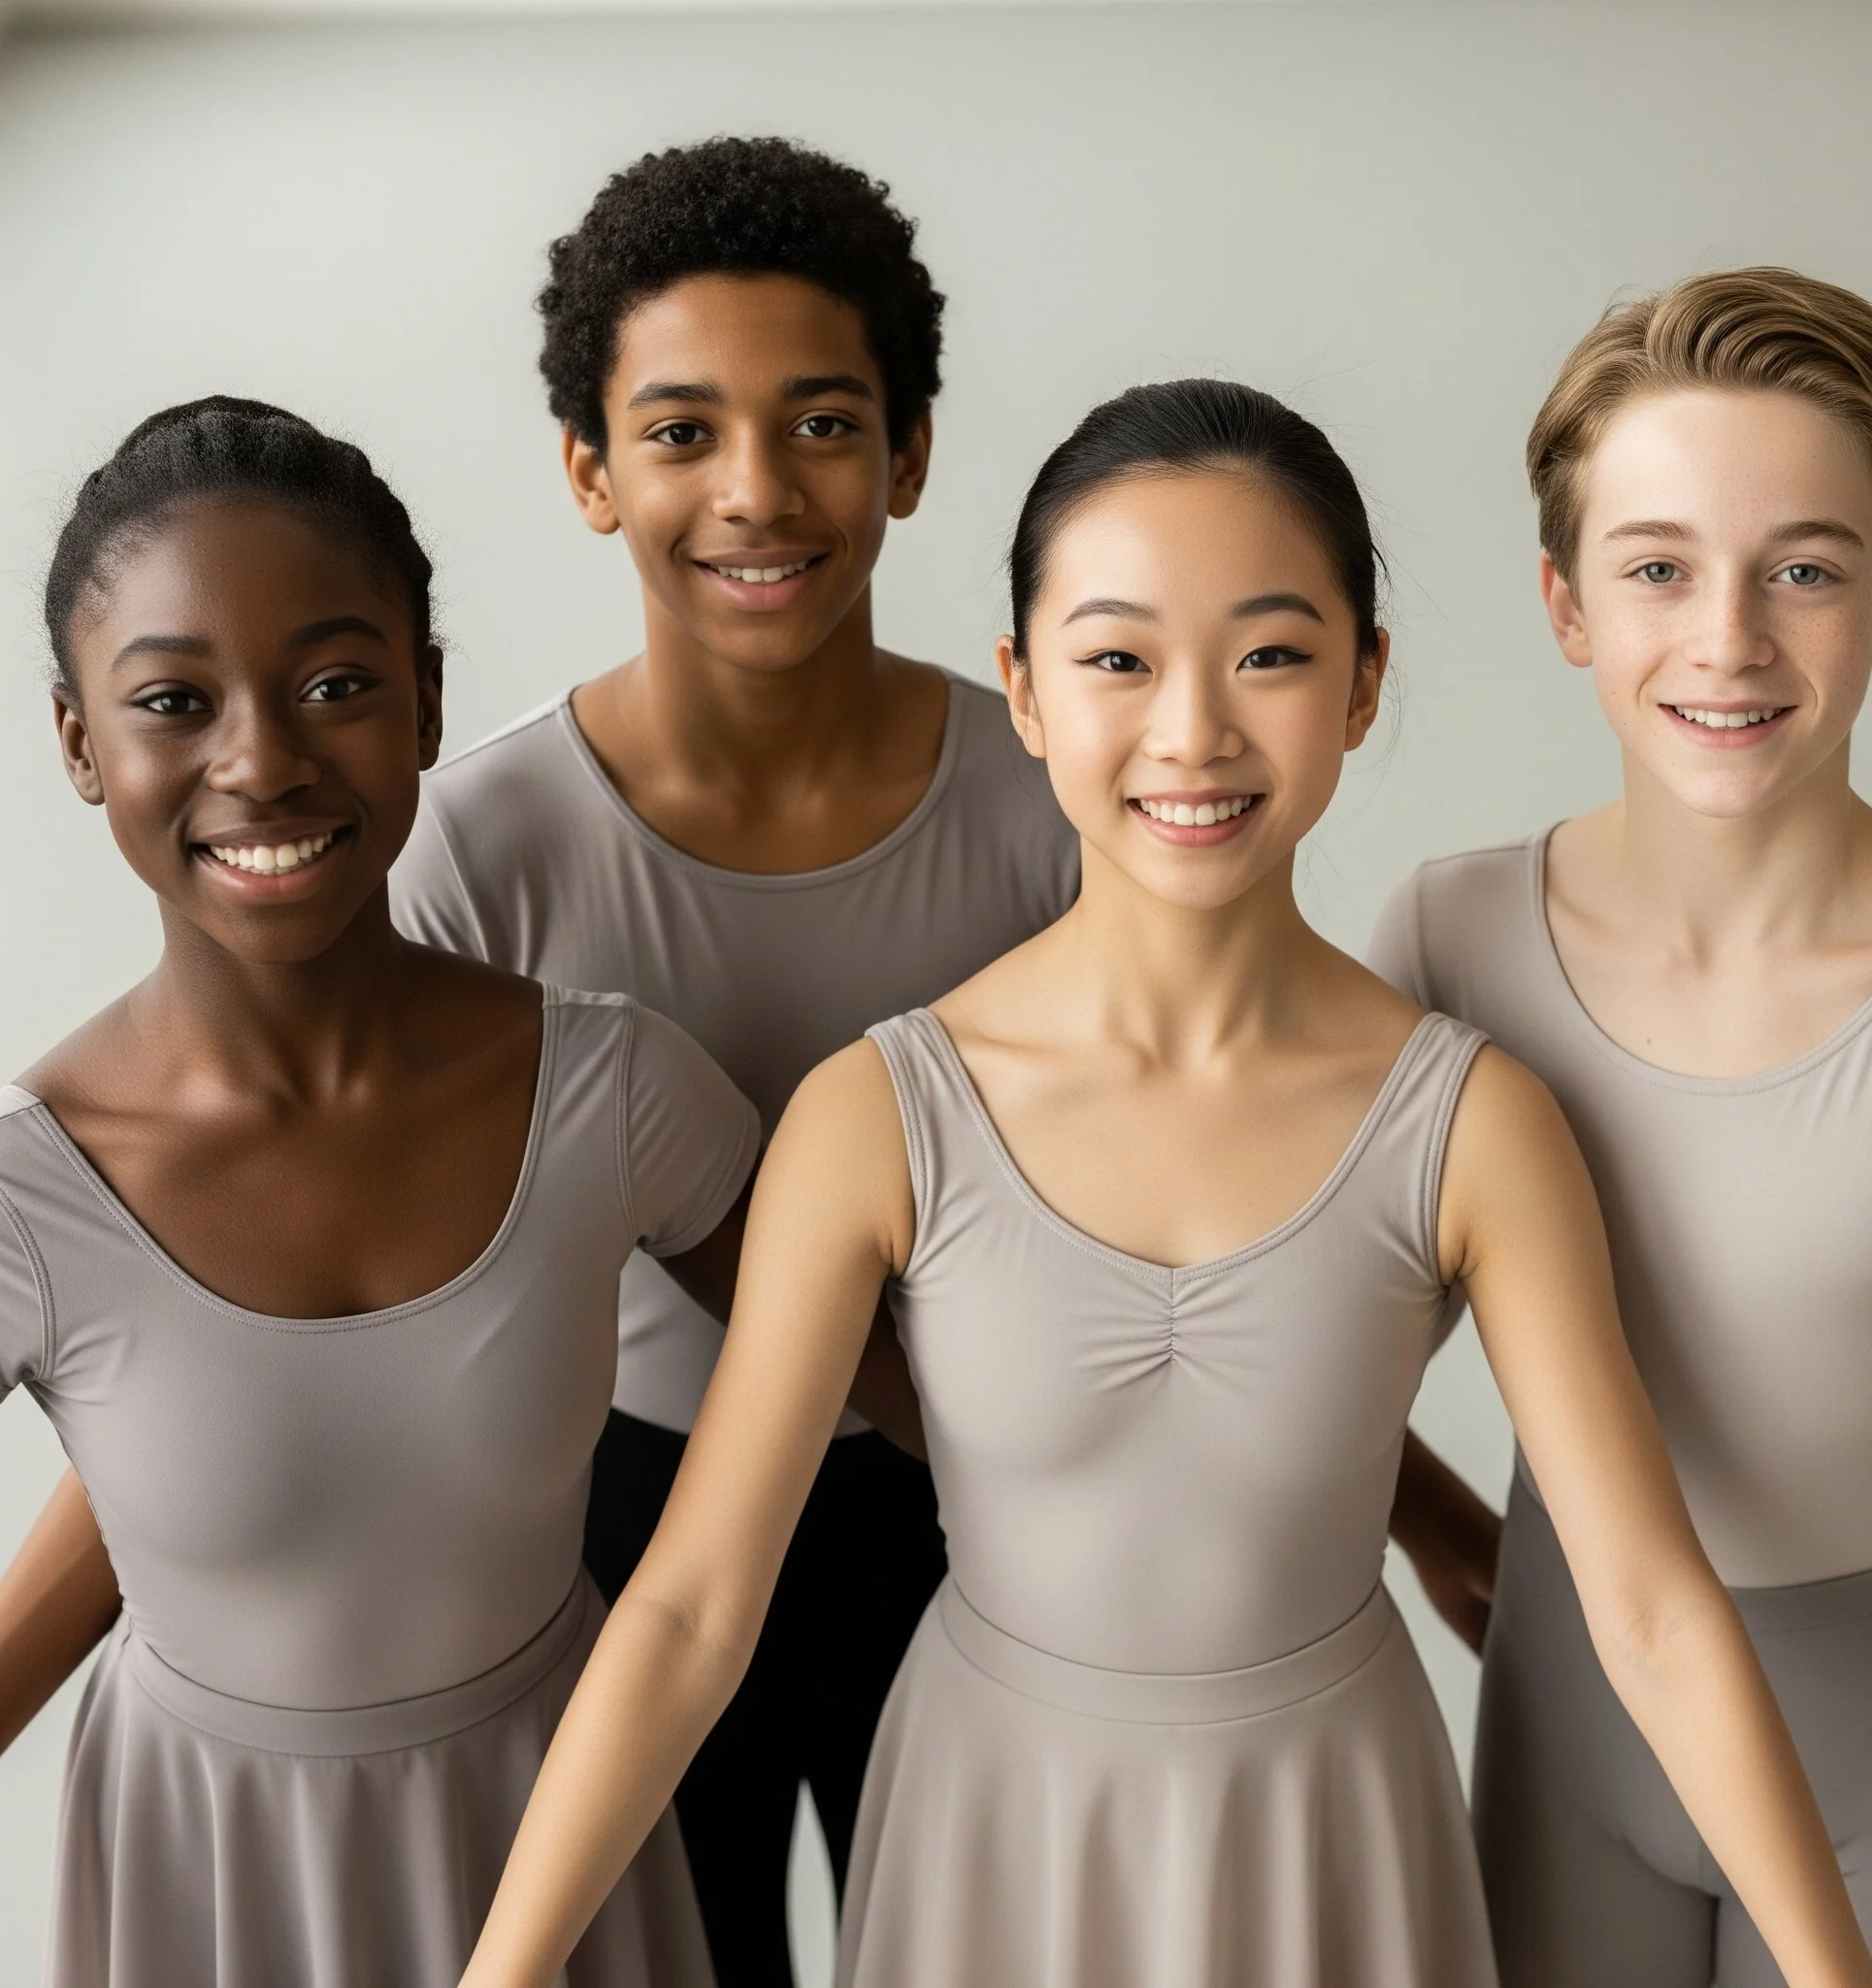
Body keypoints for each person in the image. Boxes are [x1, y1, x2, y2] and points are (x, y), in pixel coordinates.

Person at [458, 379, 1872, 1988]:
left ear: (1363, 686)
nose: (1194, 731)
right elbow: (689, 1615)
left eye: (1270, 655)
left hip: (1333, 1837)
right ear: (1024, 691)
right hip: (994, 1838)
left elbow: (1650, 1613)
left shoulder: (1472, 1122)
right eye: (1119, 659)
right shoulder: (882, 1113)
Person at [8, 137, 1077, 1988]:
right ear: (592, 469)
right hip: (601, 1489)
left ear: (906, 451)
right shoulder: (478, 842)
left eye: (820, 420)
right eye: (679, 430)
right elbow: (260, 1347)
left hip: (948, 1471)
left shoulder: (1049, 803)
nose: (753, 488)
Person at [0, 397, 765, 1987]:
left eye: (336, 685)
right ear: (80, 744)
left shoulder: (614, 1092)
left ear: (424, 701)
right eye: (173, 701)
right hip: (196, 1875)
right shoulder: (28, 1189)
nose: (263, 761)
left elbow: (942, 1389)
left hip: (555, 1840)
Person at [1378, 268, 1872, 1987]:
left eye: (1806, 569)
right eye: (1659, 569)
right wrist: (1439, 1528)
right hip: (1569, 1712)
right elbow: (1309, 1339)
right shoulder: (1451, 939)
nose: (1728, 638)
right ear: (1570, 604)